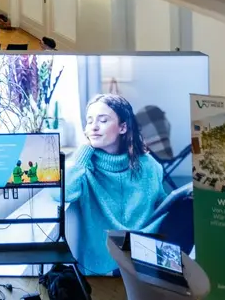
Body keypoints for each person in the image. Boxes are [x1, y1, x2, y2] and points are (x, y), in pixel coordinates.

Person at [66, 93, 166, 275]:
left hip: (144, 257)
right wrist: (84, 150)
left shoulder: (148, 165)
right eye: (89, 121)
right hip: (103, 265)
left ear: (123, 127)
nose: (94, 127)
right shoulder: (84, 167)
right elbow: (64, 193)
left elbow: (163, 207)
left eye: (103, 120)